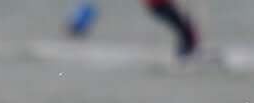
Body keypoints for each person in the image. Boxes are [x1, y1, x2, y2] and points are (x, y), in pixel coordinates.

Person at [65, 0, 199, 58]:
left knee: (183, 26)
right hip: (158, 5)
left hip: (158, 6)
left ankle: (187, 49)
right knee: (183, 27)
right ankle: (186, 50)